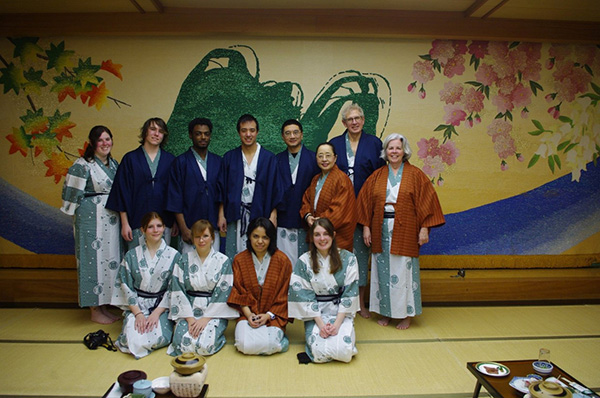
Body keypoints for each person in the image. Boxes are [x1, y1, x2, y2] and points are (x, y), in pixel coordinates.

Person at [357, 134, 445, 329]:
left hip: (406, 228)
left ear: (404, 151)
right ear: (385, 152)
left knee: (404, 271)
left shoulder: (415, 175)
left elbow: (427, 201)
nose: (394, 151)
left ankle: (405, 314)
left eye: (398, 148)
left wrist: (424, 228)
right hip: (381, 228)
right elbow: (365, 201)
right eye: (391, 148)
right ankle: (386, 312)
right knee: (382, 271)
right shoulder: (378, 175)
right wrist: (366, 227)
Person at [60, 125, 121, 324]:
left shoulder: (113, 164)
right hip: (90, 220)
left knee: (108, 261)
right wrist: (76, 215)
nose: (105, 143)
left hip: (110, 220)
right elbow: (71, 193)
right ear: (92, 143)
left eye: (108, 139)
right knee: (92, 261)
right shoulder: (82, 165)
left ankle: (104, 305)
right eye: (100, 140)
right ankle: (94, 310)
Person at [330, 102, 386, 319]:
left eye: (357, 118)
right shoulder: (334, 144)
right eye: (349, 119)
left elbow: (380, 178)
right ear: (344, 122)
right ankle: (337, 300)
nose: (354, 122)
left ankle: (360, 303)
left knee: (361, 257)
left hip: (365, 210)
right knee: (338, 255)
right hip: (341, 210)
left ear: (363, 120)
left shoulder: (374, 143)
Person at [288, 218, 359, 363]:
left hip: (340, 313)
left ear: (333, 235)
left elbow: (349, 294)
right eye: (317, 234)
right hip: (316, 314)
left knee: (343, 350)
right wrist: (321, 325)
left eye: (326, 234)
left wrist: (336, 325)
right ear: (311, 237)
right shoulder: (304, 261)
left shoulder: (349, 259)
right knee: (318, 353)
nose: (322, 239)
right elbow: (304, 296)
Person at [112, 212, 180, 358]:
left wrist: (156, 313)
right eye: (150, 227)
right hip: (137, 304)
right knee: (132, 338)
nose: (155, 230)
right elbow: (126, 286)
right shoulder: (131, 255)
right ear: (143, 230)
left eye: (159, 226)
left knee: (158, 337)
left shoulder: (174, 256)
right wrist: (138, 314)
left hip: (161, 306)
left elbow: (174, 289)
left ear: (164, 228)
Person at [168, 220, 239, 356]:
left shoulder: (222, 261)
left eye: (205, 236)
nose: (201, 240)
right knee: (181, 344)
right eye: (197, 236)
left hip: (213, 311)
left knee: (204, 346)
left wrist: (206, 318)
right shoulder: (183, 260)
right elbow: (177, 290)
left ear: (212, 237)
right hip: (188, 309)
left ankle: (217, 337)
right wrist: (190, 318)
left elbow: (223, 292)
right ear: (193, 238)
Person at [106, 117, 175, 251]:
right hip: (136, 221)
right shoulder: (130, 159)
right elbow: (122, 192)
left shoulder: (170, 160)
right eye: (153, 129)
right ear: (145, 132)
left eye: (161, 131)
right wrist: (125, 223)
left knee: (162, 263)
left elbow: (175, 193)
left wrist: (175, 222)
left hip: (164, 223)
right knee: (137, 262)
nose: (156, 134)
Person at [218, 114, 281, 258]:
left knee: (259, 251)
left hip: (261, 212)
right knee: (235, 253)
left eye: (252, 130)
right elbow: (222, 187)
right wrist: (221, 214)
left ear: (257, 132)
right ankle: (236, 281)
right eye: (244, 130)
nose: (248, 134)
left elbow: (275, 187)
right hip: (235, 213)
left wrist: (273, 214)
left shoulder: (268, 158)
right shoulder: (229, 157)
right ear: (239, 132)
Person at [227, 217, 292, 355]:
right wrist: (249, 315)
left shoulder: (283, 261)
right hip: (248, 314)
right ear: (249, 236)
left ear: (271, 239)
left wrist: (268, 315)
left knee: (271, 344)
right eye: (256, 236)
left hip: (273, 315)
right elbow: (237, 291)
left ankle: (279, 341)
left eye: (265, 237)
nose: (260, 241)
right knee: (243, 345)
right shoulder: (239, 260)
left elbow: (285, 293)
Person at [167, 118, 221, 254]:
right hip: (190, 227)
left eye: (206, 134)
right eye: (198, 133)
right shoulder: (180, 162)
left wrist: (221, 219)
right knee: (190, 269)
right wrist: (183, 228)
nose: (203, 137)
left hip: (213, 227)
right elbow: (175, 197)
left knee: (213, 268)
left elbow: (222, 194)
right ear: (190, 135)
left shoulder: (218, 161)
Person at [275, 119, 319, 265]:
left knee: (306, 264)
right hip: (283, 218)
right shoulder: (276, 160)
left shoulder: (314, 159)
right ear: (282, 136)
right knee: (284, 262)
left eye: (295, 132)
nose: (292, 136)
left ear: (302, 134)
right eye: (288, 133)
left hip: (306, 219)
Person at [300, 142, 357, 252]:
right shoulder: (316, 179)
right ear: (316, 158)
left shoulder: (342, 179)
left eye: (328, 155)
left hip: (336, 235)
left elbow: (340, 211)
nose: (324, 159)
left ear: (335, 158)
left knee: (334, 266)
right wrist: (308, 216)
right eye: (320, 156)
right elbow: (306, 199)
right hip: (317, 231)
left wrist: (319, 222)